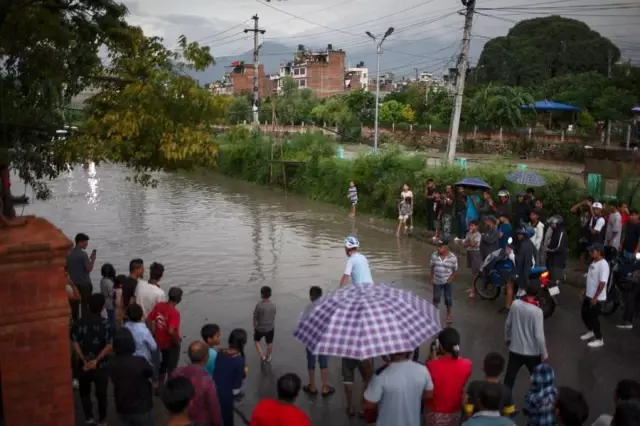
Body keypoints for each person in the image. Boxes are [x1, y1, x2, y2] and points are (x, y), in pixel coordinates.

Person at [70, 293, 113, 426]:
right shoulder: (106, 324)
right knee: (101, 394)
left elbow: (75, 342)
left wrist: (83, 360)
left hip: (83, 366)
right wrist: (96, 360)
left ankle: (89, 418)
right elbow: (109, 345)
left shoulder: (78, 323)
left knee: (84, 392)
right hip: (101, 366)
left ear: (88, 306)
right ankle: (102, 420)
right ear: (101, 308)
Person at [362, 350, 434, 426]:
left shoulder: (381, 374)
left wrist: (368, 380)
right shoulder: (422, 369)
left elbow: (369, 404)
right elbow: (429, 394)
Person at [504, 280, 548, 389]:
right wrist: (544, 353)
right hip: (533, 353)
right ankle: (539, 403)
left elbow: (508, 324)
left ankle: (505, 402)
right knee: (538, 381)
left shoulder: (515, 304)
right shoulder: (537, 311)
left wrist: (507, 337)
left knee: (509, 380)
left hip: (515, 349)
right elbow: (539, 336)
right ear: (538, 293)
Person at [425, 328, 473, 426]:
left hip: (434, 412)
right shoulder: (467, 364)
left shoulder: (431, 366)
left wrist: (432, 360)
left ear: (440, 347)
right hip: (455, 411)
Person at [110, 327, 154, 426]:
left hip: (122, 407)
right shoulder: (140, 361)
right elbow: (150, 373)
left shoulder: (113, 363)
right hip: (141, 407)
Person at [173, 341, 223, 426]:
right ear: (206, 358)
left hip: (180, 419)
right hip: (200, 421)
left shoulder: (176, 372)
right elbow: (214, 409)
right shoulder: (207, 382)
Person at [302, 286, 334, 397]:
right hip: (323, 340)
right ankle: (325, 388)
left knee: (311, 363)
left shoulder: (308, 308)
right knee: (323, 363)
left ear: (311, 297)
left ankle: (312, 387)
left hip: (310, 339)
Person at [148, 287, 183, 383]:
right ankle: (169, 386)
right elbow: (171, 331)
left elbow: (149, 319)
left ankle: (160, 384)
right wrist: (176, 342)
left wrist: (153, 332)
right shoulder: (174, 313)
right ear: (179, 299)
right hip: (170, 343)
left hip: (159, 341)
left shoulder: (159, 305)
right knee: (172, 366)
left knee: (163, 363)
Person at [214, 328, 248, 426]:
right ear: (243, 343)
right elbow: (236, 389)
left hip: (214, 389)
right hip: (225, 395)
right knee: (227, 419)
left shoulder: (220, 353)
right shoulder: (239, 361)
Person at [465, 352, 516, 418]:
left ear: (483, 368)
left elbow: (468, 410)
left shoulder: (474, 386)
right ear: (502, 370)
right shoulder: (506, 391)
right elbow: (509, 413)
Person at [580, 243, 609, 348]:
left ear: (599, 252)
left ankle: (599, 338)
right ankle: (590, 331)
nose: (590, 252)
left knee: (593, 318)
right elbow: (591, 278)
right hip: (588, 295)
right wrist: (585, 289)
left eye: (592, 251)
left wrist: (596, 297)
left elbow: (602, 283)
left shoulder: (603, 265)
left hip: (597, 298)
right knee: (584, 314)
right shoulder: (594, 262)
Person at [501, 227, 536, 313]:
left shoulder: (524, 245)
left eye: (520, 234)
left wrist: (511, 254)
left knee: (510, 283)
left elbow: (519, 260)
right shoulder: (528, 243)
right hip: (529, 266)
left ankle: (509, 307)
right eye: (518, 234)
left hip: (524, 269)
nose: (518, 236)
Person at [66, 232, 96, 319]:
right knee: (85, 307)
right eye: (85, 242)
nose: (87, 244)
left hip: (73, 284)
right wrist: (93, 259)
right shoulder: (83, 254)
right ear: (80, 242)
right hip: (84, 285)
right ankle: (85, 323)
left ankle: (75, 323)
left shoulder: (69, 254)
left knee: (74, 307)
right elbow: (88, 269)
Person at [430, 239, 458, 325]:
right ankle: (434, 314)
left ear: (446, 248)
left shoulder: (453, 258)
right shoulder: (434, 255)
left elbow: (455, 270)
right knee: (436, 298)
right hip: (437, 281)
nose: (438, 248)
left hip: (447, 282)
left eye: (440, 247)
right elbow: (432, 267)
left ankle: (449, 315)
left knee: (448, 298)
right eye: (437, 247)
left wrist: (450, 279)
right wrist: (431, 278)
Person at [254, 285, 276, 363]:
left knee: (257, 341)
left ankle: (262, 356)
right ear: (270, 294)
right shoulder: (273, 305)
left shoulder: (259, 305)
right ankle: (268, 356)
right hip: (270, 327)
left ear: (261, 294)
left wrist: (254, 325)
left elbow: (255, 316)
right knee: (269, 343)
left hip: (260, 327)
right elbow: (273, 316)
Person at [572, 197, 596, 268]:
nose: (587, 203)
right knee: (581, 250)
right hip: (582, 233)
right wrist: (581, 203)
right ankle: (580, 266)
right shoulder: (582, 210)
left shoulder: (593, 210)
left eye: (588, 201)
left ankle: (590, 267)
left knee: (590, 251)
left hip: (589, 233)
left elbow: (594, 217)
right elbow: (572, 209)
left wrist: (590, 206)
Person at [546, 216, 568, 286]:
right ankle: (550, 294)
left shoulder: (561, 233)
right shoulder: (555, 232)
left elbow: (559, 248)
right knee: (550, 278)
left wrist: (549, 250)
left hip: (557, 261)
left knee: (554, 281)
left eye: (553, 224)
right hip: (551, 259)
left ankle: (554, 295)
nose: (551, 225)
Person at [463, 220, 482, 298]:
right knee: (472, 272)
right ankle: (473, 288)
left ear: (477, 226)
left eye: (472, 225)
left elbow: (473, 244)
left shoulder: (478, 235)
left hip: (476, 254)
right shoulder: (468, 233)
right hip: (469, 252)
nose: (471, 227)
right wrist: (467, 242)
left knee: (475, 273)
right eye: (470, 225)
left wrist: (470, 236)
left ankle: (474, 290)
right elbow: (465, 243)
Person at [100, 263, 117, 329]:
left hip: (105, 300)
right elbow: (112, 294)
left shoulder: (103, 280)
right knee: (111, 318)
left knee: (107, 317)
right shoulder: (109, 282)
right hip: (110, 303)